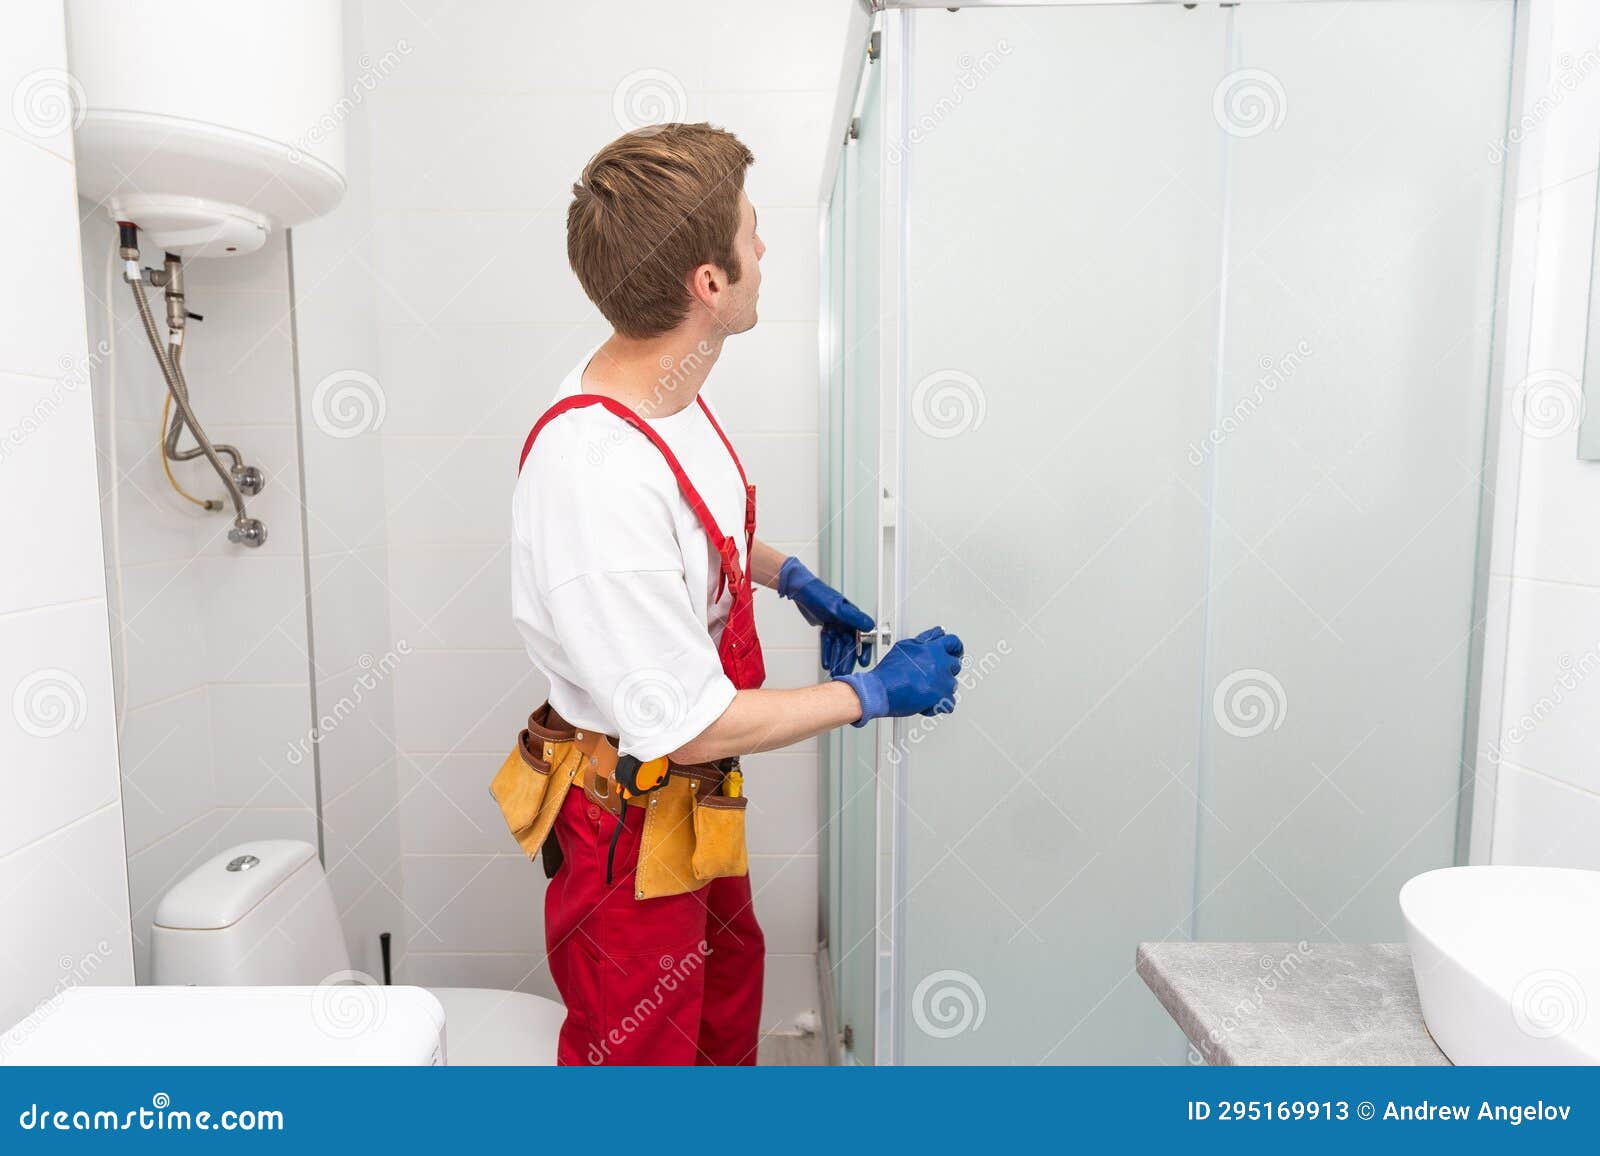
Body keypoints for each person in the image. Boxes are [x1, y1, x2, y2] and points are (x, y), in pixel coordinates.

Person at [507, 122, 964, 1066]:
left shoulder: (662, 392)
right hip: (631, 827)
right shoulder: (592, 474)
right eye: (753, 231)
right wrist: (872, 695)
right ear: (707, 285)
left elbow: (690, 524)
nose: (765, 249)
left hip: (684, 805)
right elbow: (685, 724)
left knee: (722, 1011)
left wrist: (787, 576)